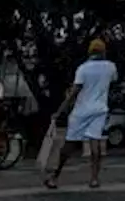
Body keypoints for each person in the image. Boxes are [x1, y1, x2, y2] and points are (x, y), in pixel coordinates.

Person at [45, 38, 118, 189]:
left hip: (82, 110)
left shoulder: (83, 69)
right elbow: (113, 81)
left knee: (70, 143)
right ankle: (94, 178)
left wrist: (60, 111)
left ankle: (54, 177)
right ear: (104, 51)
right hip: (100, 108)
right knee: (95, 142)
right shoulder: (110, 67)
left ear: (90, 51)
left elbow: (74, 92)